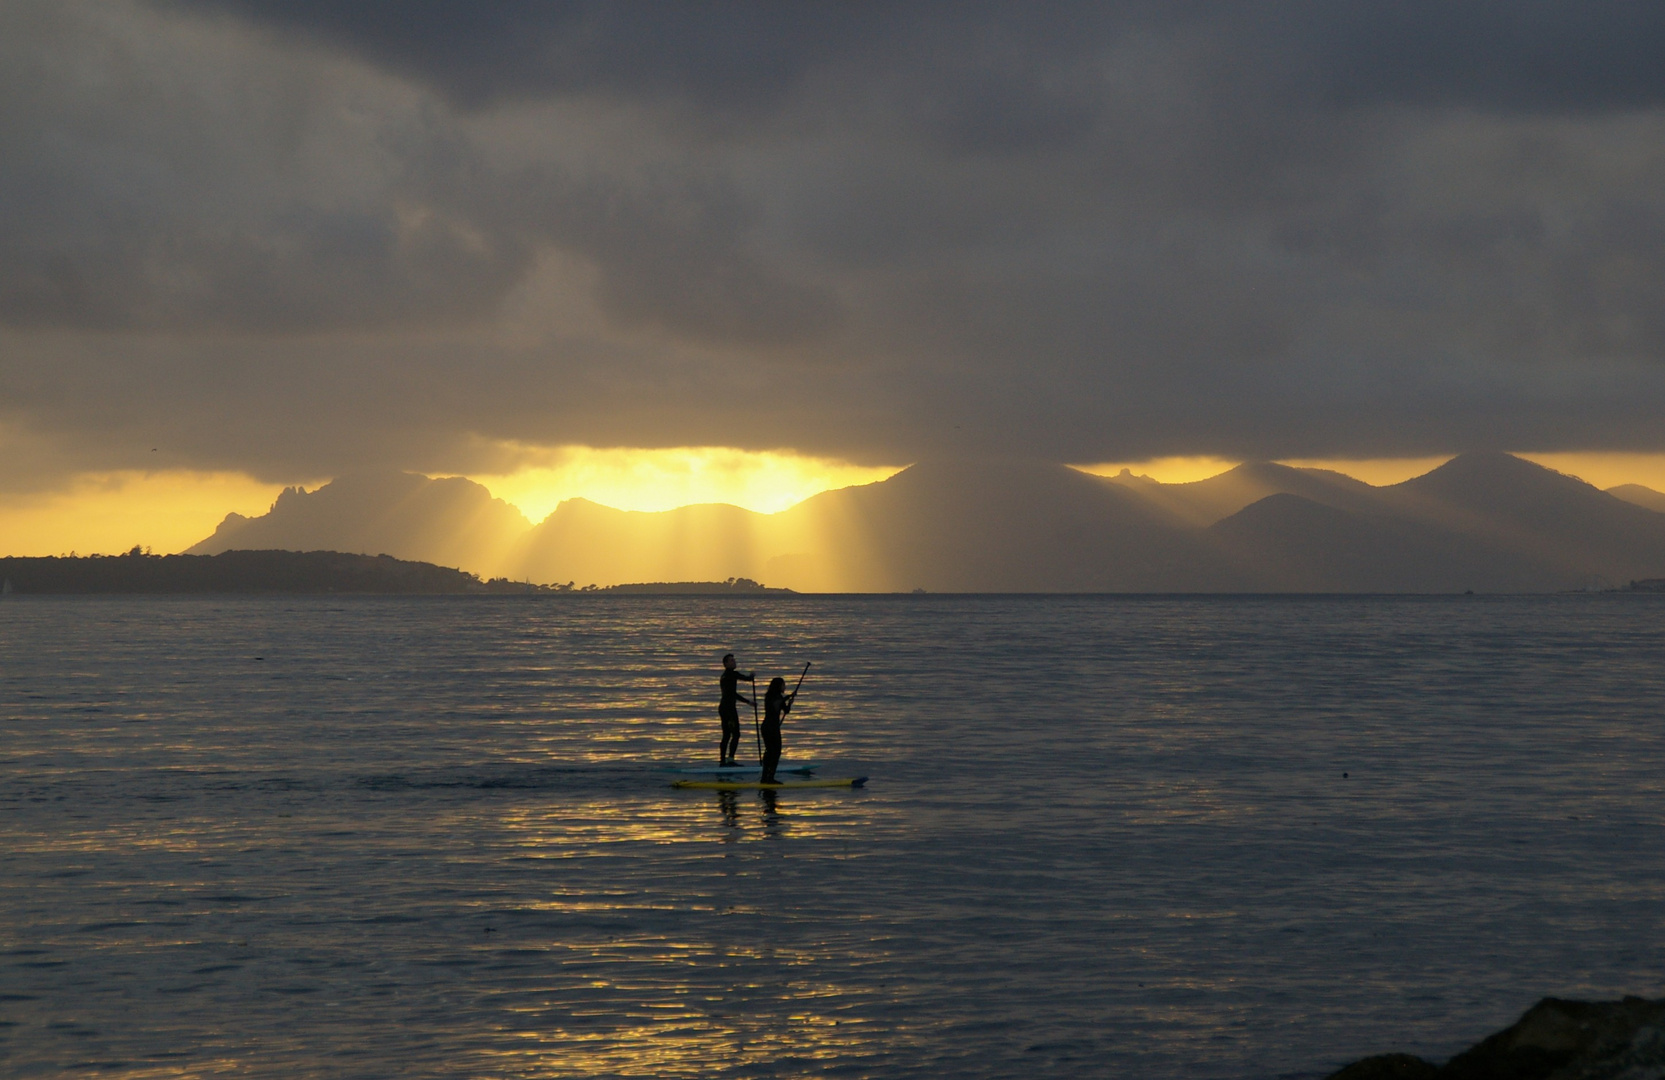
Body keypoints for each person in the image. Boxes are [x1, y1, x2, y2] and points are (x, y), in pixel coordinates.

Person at [718, 653, 755, 767]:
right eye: (731, 661)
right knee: (735, 734)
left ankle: (723, 761)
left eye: (734, 660)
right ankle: (729, 760)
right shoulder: (730, 675)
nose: (734, 662)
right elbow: (744, 680)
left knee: (727, 735)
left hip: (724, 708)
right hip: (728, 709)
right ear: (726, 664)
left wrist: (748, 702)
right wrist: (751, 677)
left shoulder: (726, 675)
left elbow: (733, 693)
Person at [759, 675, 796, 784]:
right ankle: (767, 777)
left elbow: (785, 710)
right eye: (783, 685)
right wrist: (787, 697)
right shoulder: (770, 696)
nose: (785, 687)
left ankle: (768, 777)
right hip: (768, 727)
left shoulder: (779, 697)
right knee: (773, 752)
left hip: (774, 727)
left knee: (774, 752)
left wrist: (790, 703)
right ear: (778, 686)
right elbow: (775, 705)